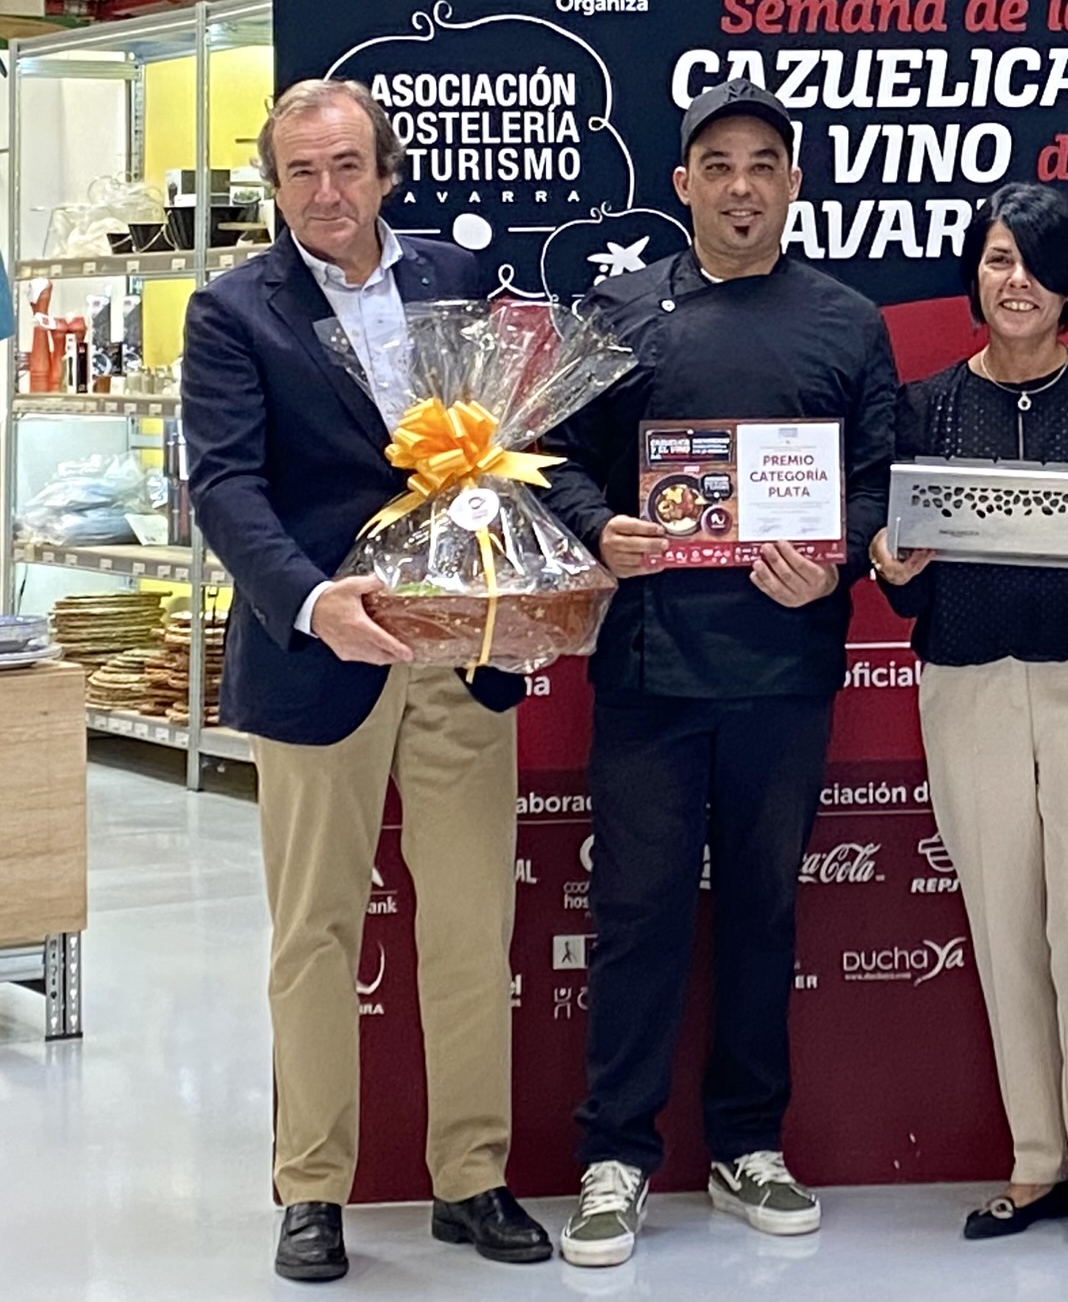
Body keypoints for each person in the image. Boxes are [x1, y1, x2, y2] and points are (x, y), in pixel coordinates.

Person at [182, 79, 548, 1282]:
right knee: (315, 932)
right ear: (275, 185)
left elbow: (506, 451)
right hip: (316, 655)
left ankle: (473, 1176)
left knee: (468, 928)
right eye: (300, 174)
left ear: (386, 171)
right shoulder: (233, 311)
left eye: (346, 167)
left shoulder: (455, 282)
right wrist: (312, 599)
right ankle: (313, 1189)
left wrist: (525, 588)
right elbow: (226, 486)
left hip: (457, 651)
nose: (326, 194)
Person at [538, 77, 898, 1268]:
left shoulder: (847, 321)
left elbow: (878, 483)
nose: (743, 187)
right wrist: (599, 529)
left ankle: (749, 1142)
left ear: (793, 183)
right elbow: (559, 458)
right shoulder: (620, 310)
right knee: (636, 914)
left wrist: (833, 559)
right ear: (683, 184)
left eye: (765, 165)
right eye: (719, 166)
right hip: (646, 669)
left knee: (762, 911)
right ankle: (616, 1156)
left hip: (783, 669)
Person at [870, 183, 1068, 1254]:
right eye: (999, 259)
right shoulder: (923, 406)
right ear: (976, 275)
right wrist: (890, 562)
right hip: (967, 685)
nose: (1017, 283)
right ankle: (1035, 1163)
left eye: (1038, 265)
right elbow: (904, 577)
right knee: (1001, 926)